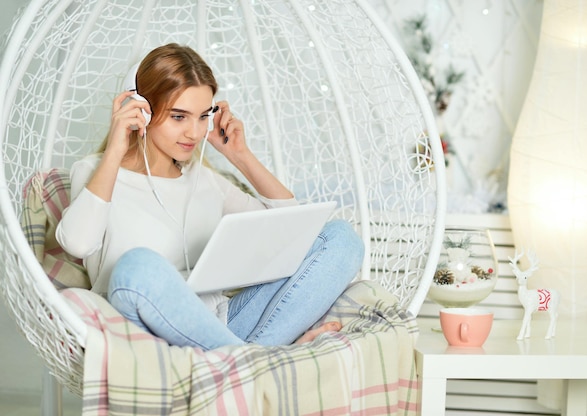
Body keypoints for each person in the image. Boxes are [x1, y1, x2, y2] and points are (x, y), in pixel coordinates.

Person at [56, 43, 364, 350]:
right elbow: (77, 243)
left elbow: (294, 233)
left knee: (340, 238)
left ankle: (241, 360)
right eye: (179, 117)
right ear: (141, 110)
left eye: (202, 116)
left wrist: (240, 155)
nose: (194, 132)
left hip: (222, 326)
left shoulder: (204, 180)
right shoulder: (97, 172)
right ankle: (256, 360)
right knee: (138, 266)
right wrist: (116, 149)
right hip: (145, 332)